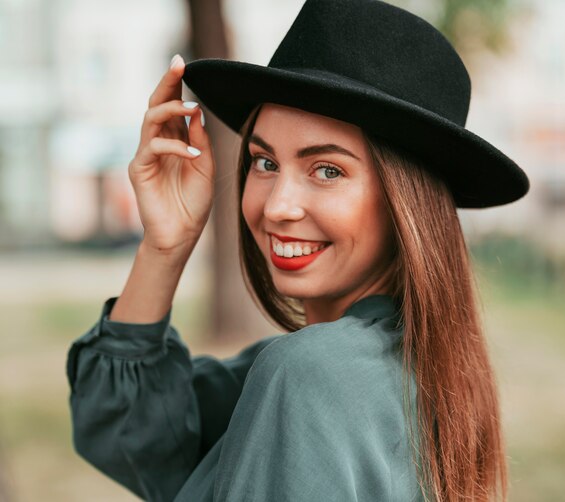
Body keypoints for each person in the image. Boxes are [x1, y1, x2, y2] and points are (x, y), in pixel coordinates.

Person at [66, 0, 529, 501]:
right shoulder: (424, 369)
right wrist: (165, 245)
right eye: (265, 162)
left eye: (327, 170)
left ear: (406, 204)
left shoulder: (308, 376)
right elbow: (126, 436)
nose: (278, 206)